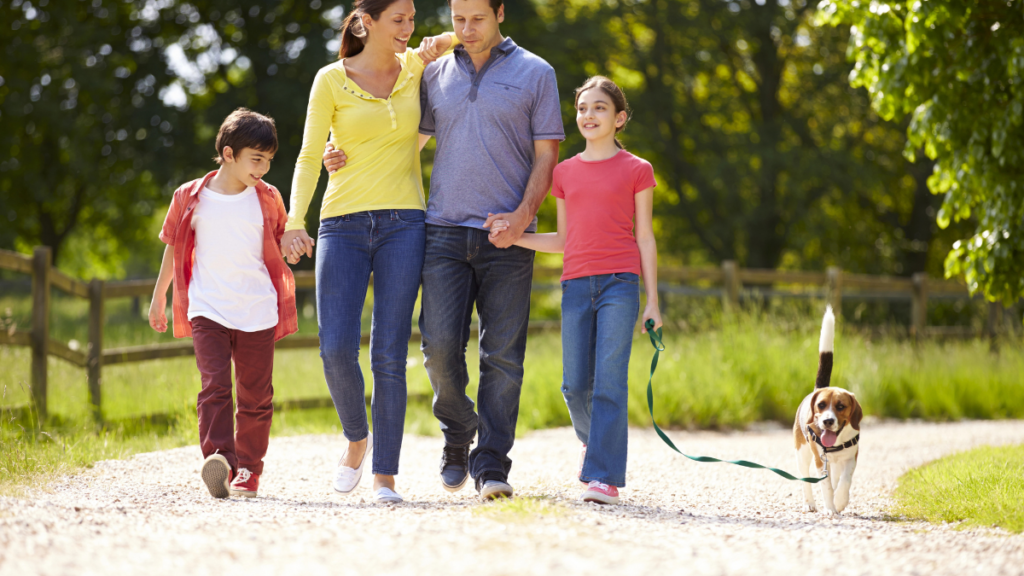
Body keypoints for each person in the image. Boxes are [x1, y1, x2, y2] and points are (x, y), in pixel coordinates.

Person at [325, 0, 563, 500]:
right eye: (458, 19)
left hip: (508, 234)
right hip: (442, 230)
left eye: (477, 18)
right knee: (436, 350)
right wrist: (343, 154)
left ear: (501, 13)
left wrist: (522, 218)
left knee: (502, 356)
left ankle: (492, 464)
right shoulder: (433, 75)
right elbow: (405, 141)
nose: (467, 29)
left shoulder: (537, 73)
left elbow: (548, 155)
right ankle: (458, 429)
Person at [280, 0, 456, 504]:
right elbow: (311, 154)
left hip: (405, 222)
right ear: (367, 23)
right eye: (397, 19)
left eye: (412, 19)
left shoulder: (416, 66)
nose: (408, 28)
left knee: (388, 355)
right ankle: (357, 437)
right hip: (342, 224)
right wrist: (296, 220)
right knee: (335, 347)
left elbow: (469, 34)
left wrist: (437, 42)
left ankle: (385, 476)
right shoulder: (331, 79)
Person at [487, 76, 662, 505]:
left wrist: (653, 300)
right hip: (576, 285)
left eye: (599, 108)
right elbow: (562, 241)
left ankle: (604, 477)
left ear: (619, 118)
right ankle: (593, 443)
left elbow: (645, 237)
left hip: (621, 285)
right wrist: (516, 236)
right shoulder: (564, 173)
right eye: (583, 108)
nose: (589, 115)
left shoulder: (638, 169)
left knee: (609, 382)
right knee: (574, 385)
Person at [149, 108, 299, 499]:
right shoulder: (190, 197)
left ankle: (248, 468)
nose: (264, 168)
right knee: (214, 385)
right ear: (229, 154)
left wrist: (294, 243)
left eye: (268, 160)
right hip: (207, 307)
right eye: (257, 159)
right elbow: (172, 248)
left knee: (255, 395)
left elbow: (283, 239)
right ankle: (219, 459)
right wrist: (158, 297)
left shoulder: (267, 199)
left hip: (257, 309)